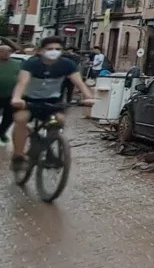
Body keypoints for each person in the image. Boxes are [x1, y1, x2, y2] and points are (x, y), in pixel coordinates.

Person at [10, 36, 94, 170]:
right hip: (29, 100)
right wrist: (16, 98)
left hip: (53, 101)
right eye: (50, 49)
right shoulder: (32, 63)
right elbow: (22, 83)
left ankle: (48, 150)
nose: (54, 51)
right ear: (41, 51)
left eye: (58, 49)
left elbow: (79, 83)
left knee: (58, 121)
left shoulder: (67, 64)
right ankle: (18, 155)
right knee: (21, 119)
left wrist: (88, 97)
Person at [0, 45, 22, 143]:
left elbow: (21, 78)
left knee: (9, 117)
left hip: (11, 95)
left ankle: (2, 132)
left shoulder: (16, 64)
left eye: (8, 51)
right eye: (3, 51)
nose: (6, 53)